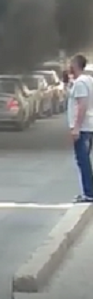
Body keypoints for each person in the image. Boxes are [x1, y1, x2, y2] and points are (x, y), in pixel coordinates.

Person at [66, 54, 93, 202]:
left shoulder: (81, 83)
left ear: (76, 65)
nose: (69, 66)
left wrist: (76, 127)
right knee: (84, 160)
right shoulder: (88, 80)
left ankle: (89, 193)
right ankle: (89, 192)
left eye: (71, 63)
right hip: (88, 126)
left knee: (83, 160)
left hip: (83, 128)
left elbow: (81, 105)